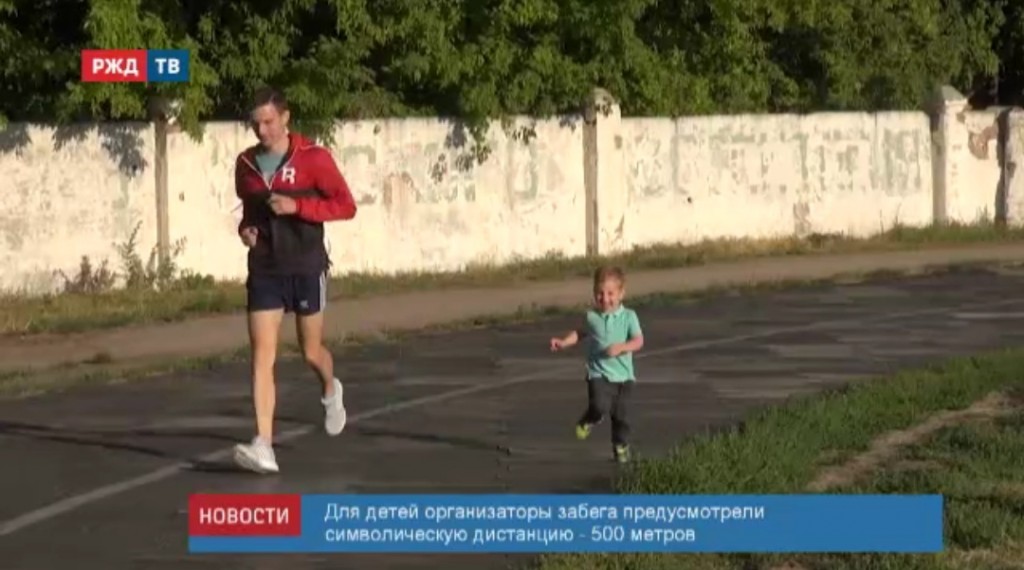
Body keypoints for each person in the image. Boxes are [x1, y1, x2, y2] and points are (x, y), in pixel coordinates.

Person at [231, 86, 358, 474]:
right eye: (256, 124)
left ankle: (330, 388)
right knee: (262, 356)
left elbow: (346, 206)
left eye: (269, 121)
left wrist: (297, 206)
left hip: (305, 265)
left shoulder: (313, 158)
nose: (262, 130)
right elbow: (249, 213)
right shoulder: (246, 164)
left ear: (285, 118)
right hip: (265, 268)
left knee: (310, 351)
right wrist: (246, 231)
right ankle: (263, 444)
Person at [549, 266, 644, 463]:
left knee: (621, 415)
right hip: (598, 373)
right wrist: (563, 342)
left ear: (621, 294)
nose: (605, 298)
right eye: (600, 293)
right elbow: (580, 333)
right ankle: (590, 418)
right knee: (599, 405)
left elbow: (638, 341)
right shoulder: (592, 317)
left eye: (610, 293)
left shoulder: (629, 316)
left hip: (624, 377)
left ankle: (620, 445)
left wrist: (622, 347)